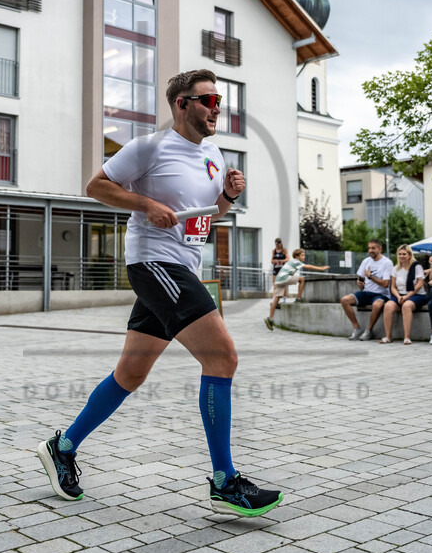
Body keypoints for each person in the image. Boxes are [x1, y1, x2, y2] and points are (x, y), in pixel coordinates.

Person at [36, 69, 282, 517]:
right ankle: (225, 482)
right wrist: (146, 204)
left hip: (182, 267)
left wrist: (227, 197)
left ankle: (62, 446)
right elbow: (96, 186)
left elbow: (204, 215)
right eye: (209, 100)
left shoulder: (212, 153)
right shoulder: (149, 147)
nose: (218, 109)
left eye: (220, 101)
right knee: (222, 357)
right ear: (182, 104)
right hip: (153, 264)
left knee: (130, 373)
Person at [340, 240, 393, 341]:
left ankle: (369, 330)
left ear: (380, 249)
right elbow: (361, 277)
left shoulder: (387, 263)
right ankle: (357, 328)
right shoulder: (366, 261)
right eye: (369, 248)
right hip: (366, 292)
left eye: (373, 248)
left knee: (377, 305)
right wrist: (359, 282)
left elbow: (386, 284)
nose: (370, 250)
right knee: (344, 300)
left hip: (381, 294)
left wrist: (370, 276)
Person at [264, 248, 328, 330]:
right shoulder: (296, 261)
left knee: (276, 298)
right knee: (302, 279)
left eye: (304, 255)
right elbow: (308, 266)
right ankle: (298, 298)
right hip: (284, 278)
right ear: (297, 256)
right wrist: (321, 268)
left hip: (278, 279)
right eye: (302, 255)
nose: (304, 257)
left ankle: (270, 318)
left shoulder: (291, 262)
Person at [381, 245, 427, 345]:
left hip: (416, 294)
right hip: (400, 295)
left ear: (409, 255)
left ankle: (407, 337)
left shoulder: (416, 266)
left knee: (406, 306)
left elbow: (420, 284)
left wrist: (407, 296)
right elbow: (393, 287)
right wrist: (398, 297)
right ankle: (388, 336)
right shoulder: (395, 269)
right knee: (388, 306)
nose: (401, 256)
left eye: (404, 254)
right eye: (400, 254)